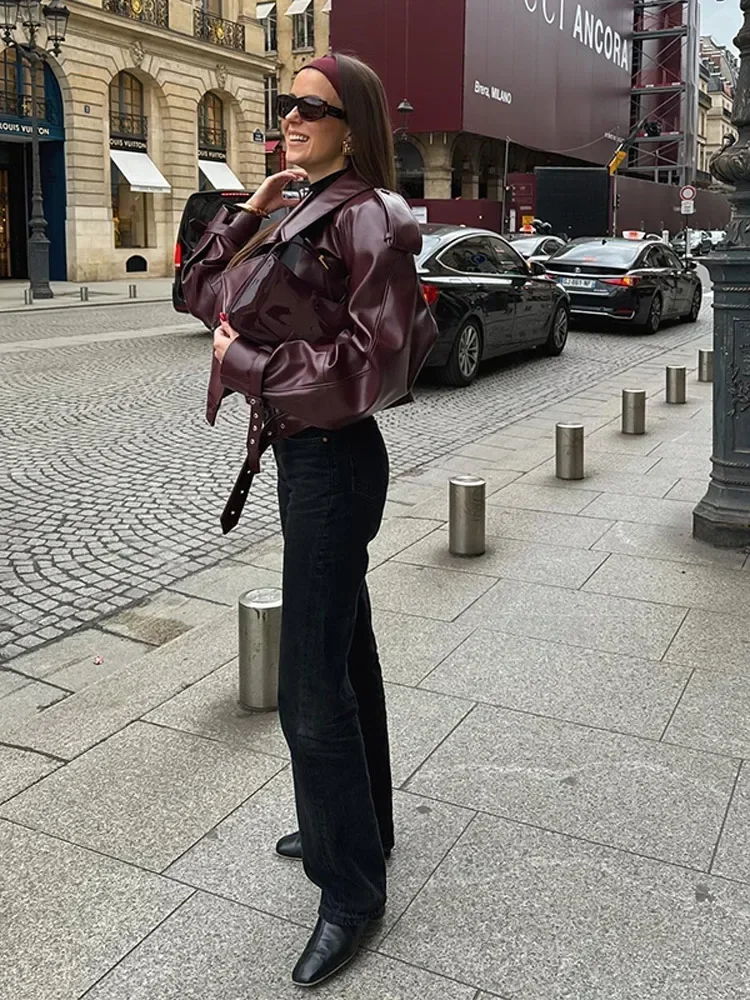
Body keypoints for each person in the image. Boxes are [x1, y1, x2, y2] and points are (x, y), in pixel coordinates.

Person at [181, 53, 437, 988]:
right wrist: (253, 205)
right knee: (347, 653)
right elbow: (199, 295)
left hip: (334, 462)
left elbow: (380, 367)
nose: (288, 117)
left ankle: (351, 892)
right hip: (301, 456)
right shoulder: (295, 204)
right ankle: (361, 823)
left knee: (308, 689)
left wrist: (249, 368)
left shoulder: (371, 214)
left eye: (309, 107)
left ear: (353, 123)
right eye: (283, 104)